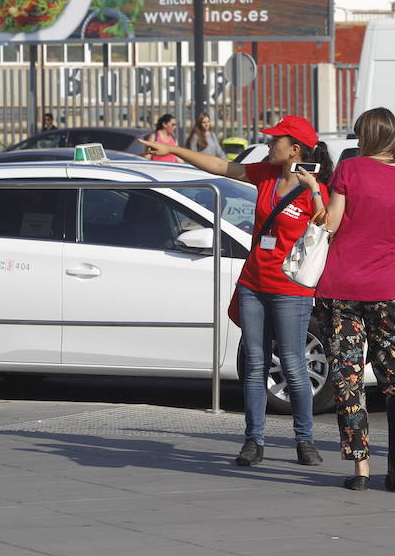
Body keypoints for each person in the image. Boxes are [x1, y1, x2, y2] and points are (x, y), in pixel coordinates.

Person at [139, 116, 333, 468]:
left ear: (295, 149)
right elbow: (219, 165)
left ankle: (305, 440)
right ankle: (253, 440)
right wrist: (172, 149)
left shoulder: (314, 189)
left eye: (277, 140)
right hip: (253, 283)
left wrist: (315, 188)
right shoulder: (265, 174)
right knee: (255, 363)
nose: (269, 143)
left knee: (292, 364)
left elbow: (328, 224)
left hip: (291, 289)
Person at [306, 107, 395, 491]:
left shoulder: (349, 170)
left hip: (339, 289)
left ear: (364, 137)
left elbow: (329, 224)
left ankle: (361, 468)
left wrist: (314, 191)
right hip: (389, 293)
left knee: (348, 380)